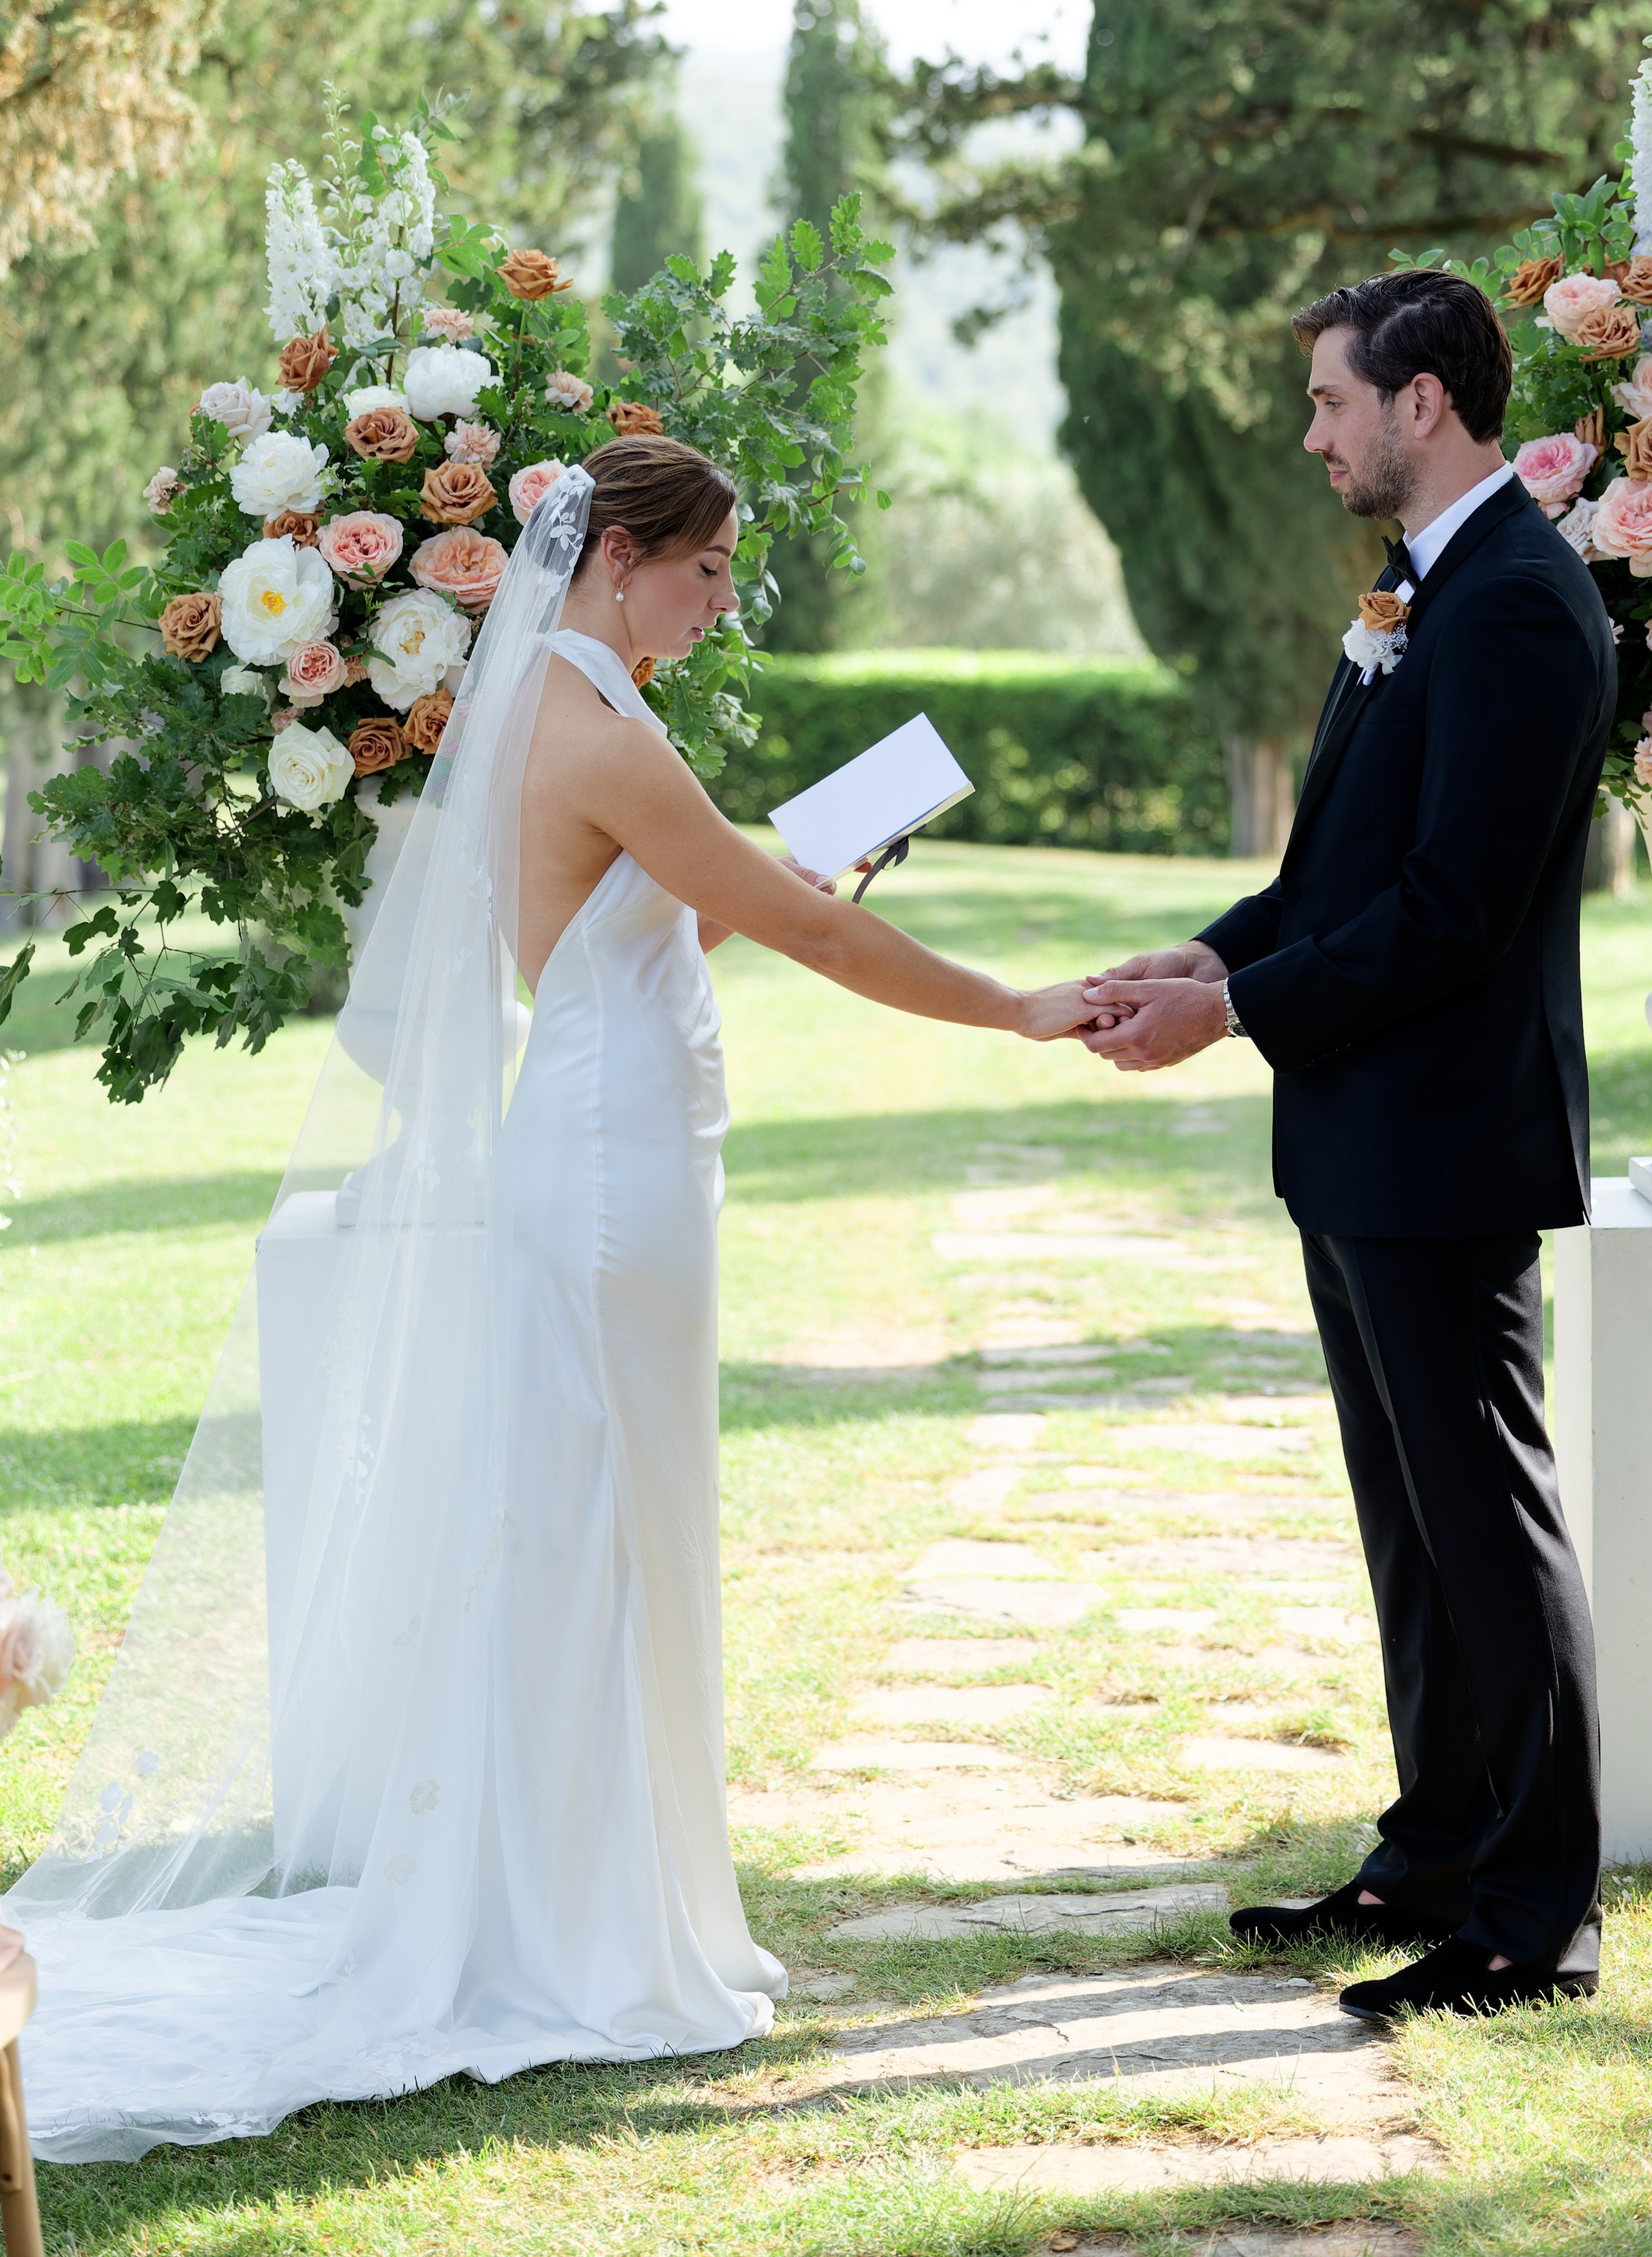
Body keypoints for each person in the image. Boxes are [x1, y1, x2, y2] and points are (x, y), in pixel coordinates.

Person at [10, 441, 1100, 2161]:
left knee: (606, 1528)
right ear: (616, 562)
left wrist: (804, 874)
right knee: (600, 1534)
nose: (722, 597)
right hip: (607, 1172)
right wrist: (1021, 1009)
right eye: (706, 566)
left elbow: (655, 931)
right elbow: (798, 939)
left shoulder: (564, 707)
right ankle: (582, 1932)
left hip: (614, 1141)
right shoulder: (596, 726)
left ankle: (588, 1901)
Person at [1080, 270, 1616, 2021]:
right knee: (1412, 1526)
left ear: (1421, 400)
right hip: (1359, 1136)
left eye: (1328, 398)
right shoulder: (1417, 587)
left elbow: (1453, 908)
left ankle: (1533, 1919)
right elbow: (1334, 876)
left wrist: (1232, 1011)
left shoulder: (1516, 602)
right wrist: (1203, 956)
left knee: (1488, 1523)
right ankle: (1431, 1849)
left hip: (1445, 1140)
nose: (1310, 432)